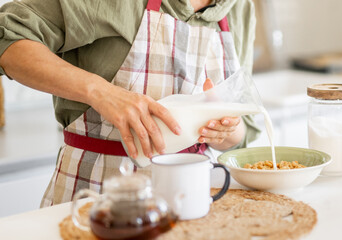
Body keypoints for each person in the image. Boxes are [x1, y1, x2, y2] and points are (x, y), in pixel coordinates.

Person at [0, 0, 260, 207]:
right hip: (97, 196)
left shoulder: (241, 9)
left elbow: (241, 132)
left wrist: (225, 129)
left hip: (194, 199)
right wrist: (102, 93)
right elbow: (8, 36)